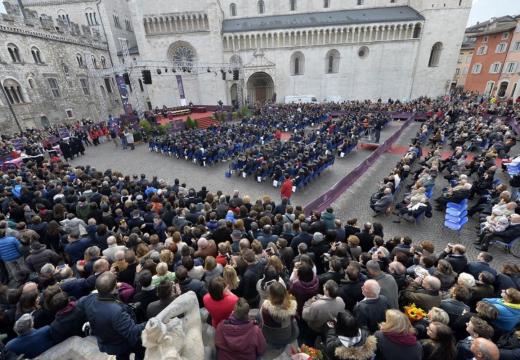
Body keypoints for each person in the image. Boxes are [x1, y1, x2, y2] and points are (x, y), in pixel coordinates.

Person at [77, 272, 146, 360]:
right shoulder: (116, 312)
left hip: (108, 342)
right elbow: (132, 332)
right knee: (140, 349)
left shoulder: (88, 299)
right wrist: (148, 323)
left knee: (121, 356)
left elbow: (79, 305)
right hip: (122, 342)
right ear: (114, 288)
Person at [259, 281, 298, 348]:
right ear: (285, 292)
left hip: (270, 337)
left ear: (271, 295)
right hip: (287, 336)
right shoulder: (292, 305)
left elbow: (262, 320)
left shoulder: (265, 309)